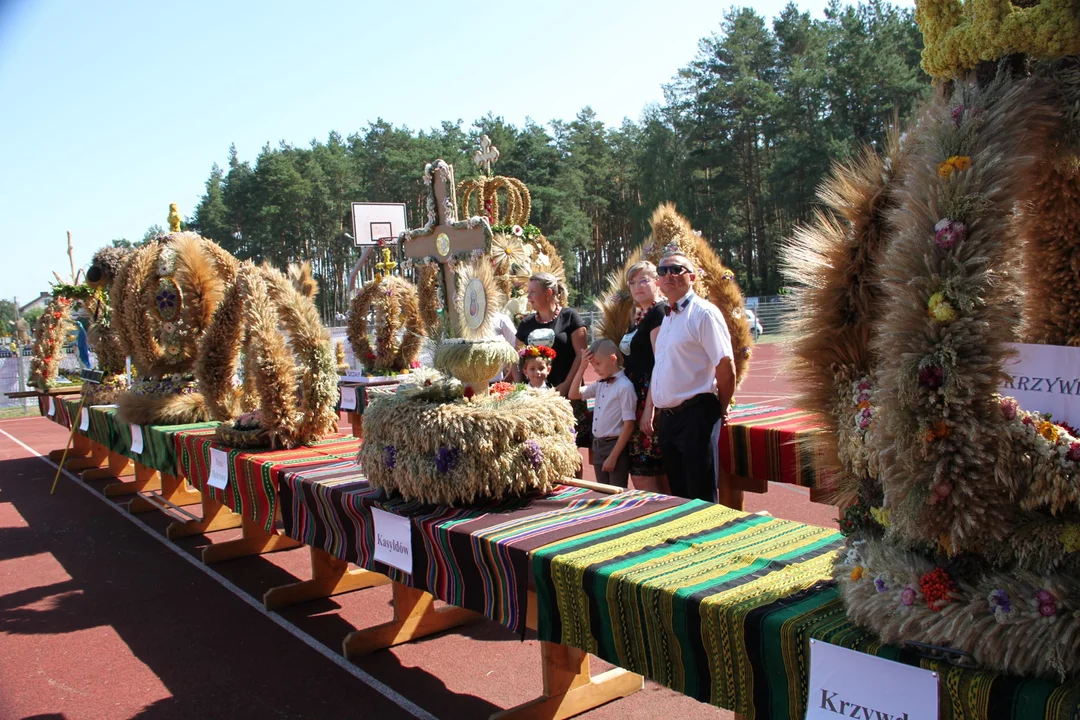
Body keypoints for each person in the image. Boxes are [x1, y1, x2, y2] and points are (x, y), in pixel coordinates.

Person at [641, 252, 735, 502]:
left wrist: (722, 407)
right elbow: (660, 367)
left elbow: (725, 366)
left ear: (692, 277)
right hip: (669, 420)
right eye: (662, 271)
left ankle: (710, 541)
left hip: (696, 415)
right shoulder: (668, 318)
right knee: (680, 496)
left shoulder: (703, 313)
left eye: (676, 269)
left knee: (701, 496)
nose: (668, 275)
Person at [619, 261, 667, 493]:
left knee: (649, 471)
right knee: (642, 470)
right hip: (635, 397)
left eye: (643, 280)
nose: (637, 286)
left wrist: (650, 407)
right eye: (632, 282)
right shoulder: (638, 317)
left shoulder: (659, 312)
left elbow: (659, 363)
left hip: (648, 398)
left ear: (657, 283)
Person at [569, 339, 636, 488]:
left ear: (613, 359)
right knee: (602, 491)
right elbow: (573, 394)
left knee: (616, 492)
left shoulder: (625, 387)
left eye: (598, 364)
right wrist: (582, 367)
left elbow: (629, 425)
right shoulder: (600, 384)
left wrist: (613, 457)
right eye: (593, 365)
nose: (595, 369)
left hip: (615, 446)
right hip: (598, 445)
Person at [514, 273, 587, 396]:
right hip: (533, 397)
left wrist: (566, 385)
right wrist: (520, 386)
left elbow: (581, 356)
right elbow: (515, 358)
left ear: (548, 293)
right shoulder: (526, 323)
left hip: (568, 394)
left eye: (533, 291)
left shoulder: (570, 317)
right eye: (528, 291)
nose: (528, 296)